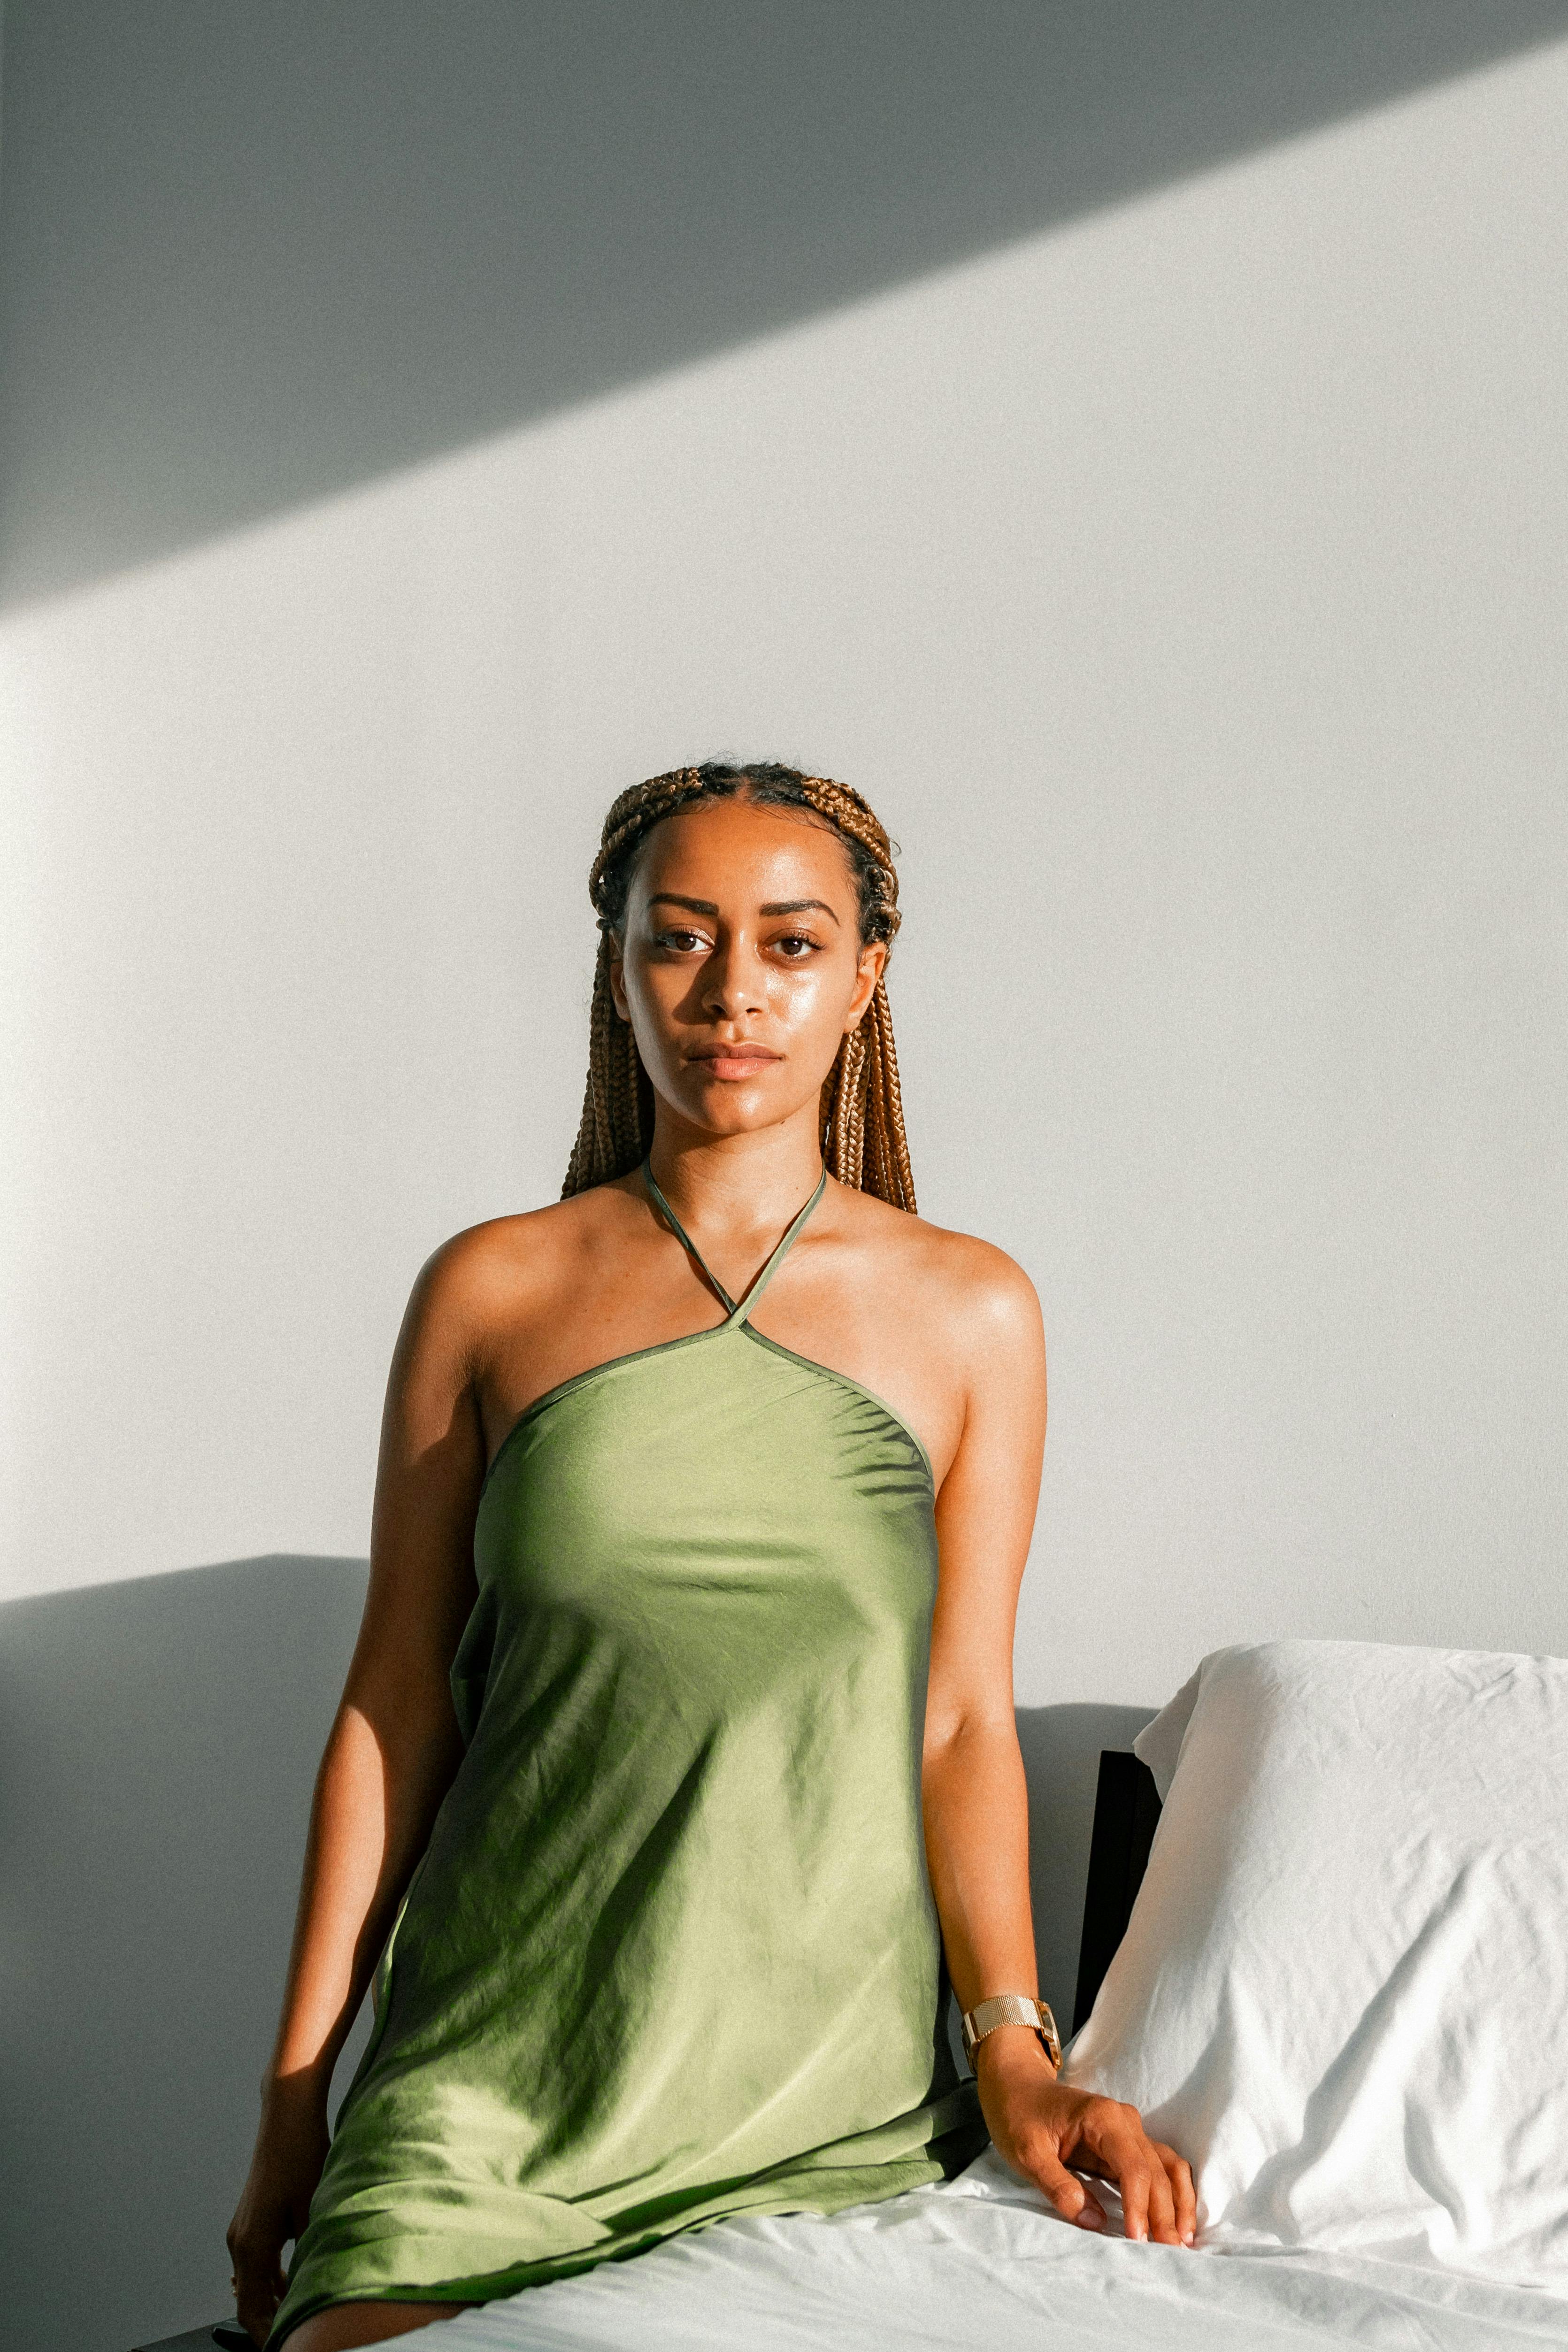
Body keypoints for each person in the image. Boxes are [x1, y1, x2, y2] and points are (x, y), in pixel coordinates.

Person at [228, 762, 1195, 2350]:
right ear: (615, 969)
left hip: (825, 2101)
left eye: (791, 944)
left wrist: (1013, 2046)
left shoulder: (970, 1311)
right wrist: (288, 2110)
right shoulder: (490, 1291)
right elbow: (395, 1707)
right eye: (677, 940)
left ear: (864, 974)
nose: (732, 991)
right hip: (490, 2084)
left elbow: (959, 1719)